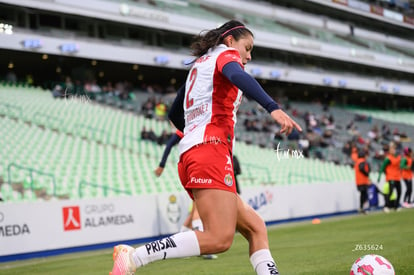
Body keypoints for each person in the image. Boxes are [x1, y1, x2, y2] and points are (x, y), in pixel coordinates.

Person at [111, 19, 302, 275]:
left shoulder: (200, 66)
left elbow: (174, 112)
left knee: (256, 226)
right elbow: (236, 75)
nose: (249, 55)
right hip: (209, 149)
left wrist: (194, 132)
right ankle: (134, 257)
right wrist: (272, 108)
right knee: (219, 239)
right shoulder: (226, 56)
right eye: (247, 47)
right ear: (231, 41)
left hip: (194, 150)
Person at [377, 142, 402, 212]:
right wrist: (379, 176)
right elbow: (382, 167)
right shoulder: (388, 158)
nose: (393, 150)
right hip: (391, 177)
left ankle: (396, 206)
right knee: (390, 192)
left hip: (397, 177)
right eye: (391, 149)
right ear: (389, 150)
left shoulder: (398, 157)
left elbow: (400, 166)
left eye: (394, 149)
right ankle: (386, 206)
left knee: (399, 192)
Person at [354, 149, 371, 214]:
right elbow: (362, 168)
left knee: (363, 194)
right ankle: (362, 208)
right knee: (364, 195)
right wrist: (367, 173)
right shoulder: (362, 161)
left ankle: (362, 208)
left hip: (359, 181)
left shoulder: (357, 162)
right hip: (362, 181)